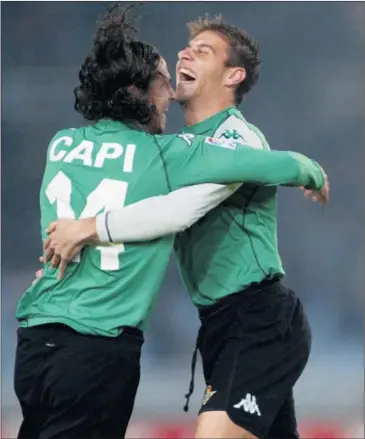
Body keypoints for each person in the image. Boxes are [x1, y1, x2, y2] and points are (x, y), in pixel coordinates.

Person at [14, 5, 328, 439]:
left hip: (257, 317)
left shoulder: (236, 139)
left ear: (233, 75)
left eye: (201, 51)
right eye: (184, 50)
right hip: (219, 324)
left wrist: (89, 228)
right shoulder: (173, 150)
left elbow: (182, 210)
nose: (183, 56)